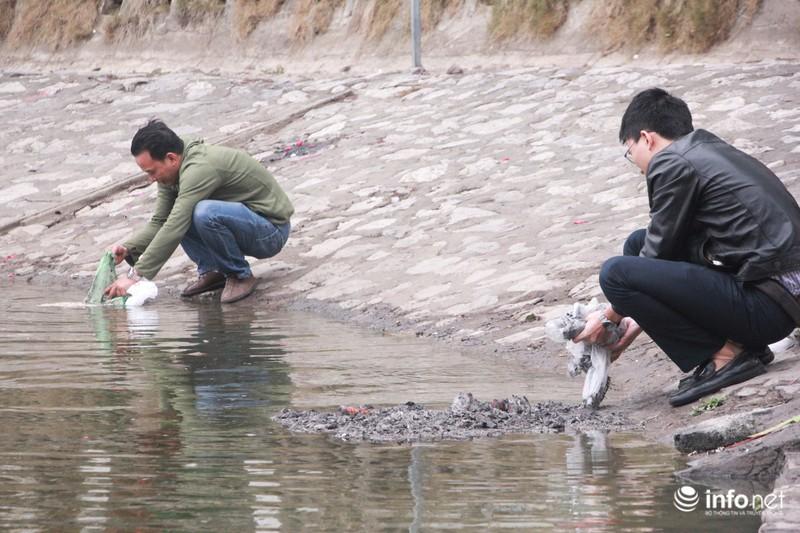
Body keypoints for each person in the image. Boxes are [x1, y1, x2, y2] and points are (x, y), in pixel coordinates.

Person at [575, 88, 800, 407]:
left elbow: (657, 256)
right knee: (636, 243)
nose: (636, 164)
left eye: (630, 151)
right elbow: (663, 248)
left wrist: (607, 317)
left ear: (646, 138)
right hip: (779, 299)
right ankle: (742, 344)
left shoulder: (671, 162)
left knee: (615, 273)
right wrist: (632, 324)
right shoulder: (705, 149)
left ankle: (726, 355)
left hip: (769, 306)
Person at [104, 120, 294, 304]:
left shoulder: (199, 169)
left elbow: (175, 225)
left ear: (171, 158)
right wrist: (128, 248)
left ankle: (240, 275)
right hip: (246, 223)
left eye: (152, 172)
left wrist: (135, 276)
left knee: (202, 212)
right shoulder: (172, 170)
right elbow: (161, 221)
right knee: (185, 211)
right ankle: (213, 271)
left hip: (271, 231)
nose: (151, 179)